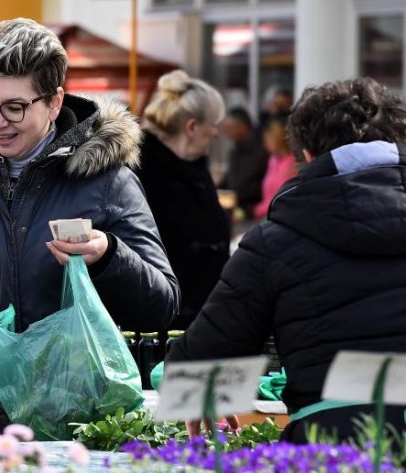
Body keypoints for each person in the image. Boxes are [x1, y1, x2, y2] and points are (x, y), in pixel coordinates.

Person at [0, 18, 180, 435]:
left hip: (78, 423)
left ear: (55, 102)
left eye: (15, 107)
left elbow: (163, 301)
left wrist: (108, 255)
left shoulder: (109, 181)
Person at [168, 77, 406, 445]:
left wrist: (200, 392)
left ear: (307, 154)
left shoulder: (276, 239)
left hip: (330, 450)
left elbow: (200, 363)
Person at [133, 70, 230, 330]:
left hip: (200, 321)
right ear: (191, 127)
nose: (217, 133)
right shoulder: (140, 171)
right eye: (213, 125)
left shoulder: (194, 166)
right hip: (159, 328)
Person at [219, 106, 269, 217]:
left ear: (241, 127)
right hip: (238, 207)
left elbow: (247, 185)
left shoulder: (261, 150)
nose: (226, 133)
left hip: (253, 210)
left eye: (229, 128)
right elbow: (228, 181)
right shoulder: (236, 150)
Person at [252, 114, 297, 220]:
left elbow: (284, 196)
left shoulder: (293, 162)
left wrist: (258, 209)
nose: (265, 144)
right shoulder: (273, 159)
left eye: (268, 139)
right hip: (266, 215)